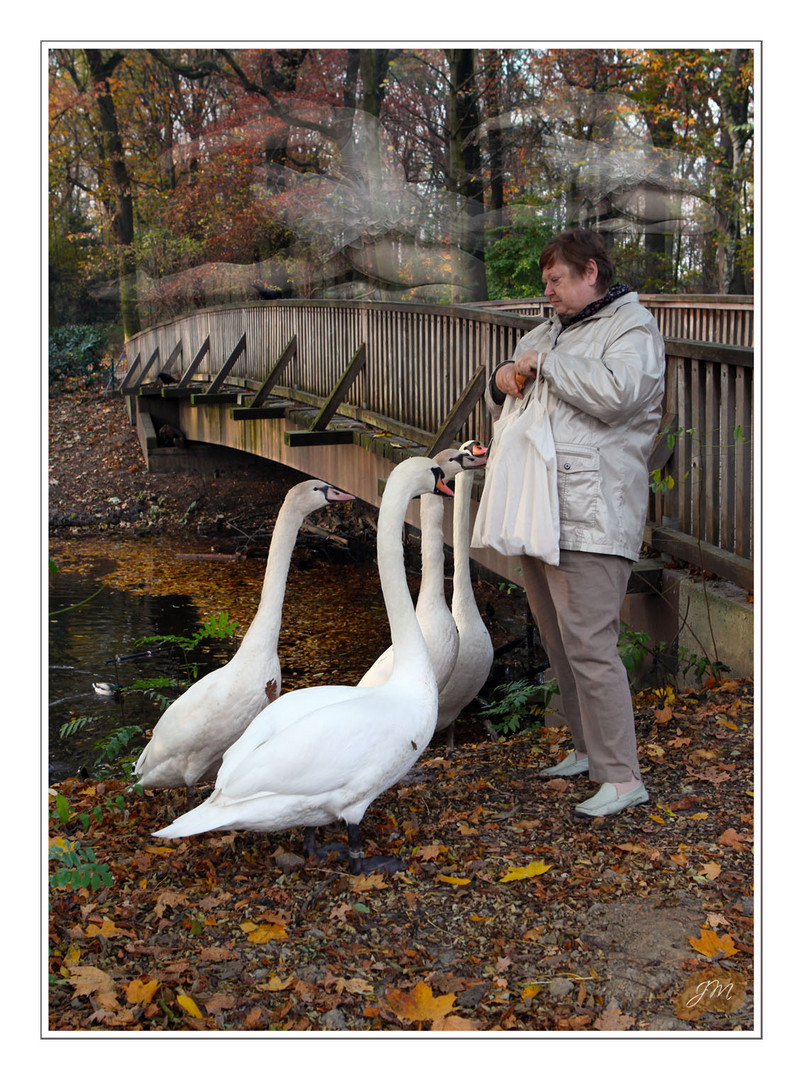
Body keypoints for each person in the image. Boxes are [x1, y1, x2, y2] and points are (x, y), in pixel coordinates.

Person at [483, 228, 666, 817]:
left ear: (591, 272)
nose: (548, 292)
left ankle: (622, 777)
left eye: (556, 280)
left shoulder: (631, 328)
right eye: (545, 283)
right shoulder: (549, 331)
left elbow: (618, 393)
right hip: (539, 508)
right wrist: (501, 379)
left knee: (590, 642)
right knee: (559, 640)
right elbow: (512, 383)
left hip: (592, 510)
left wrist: (547, 365)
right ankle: (587, 751)